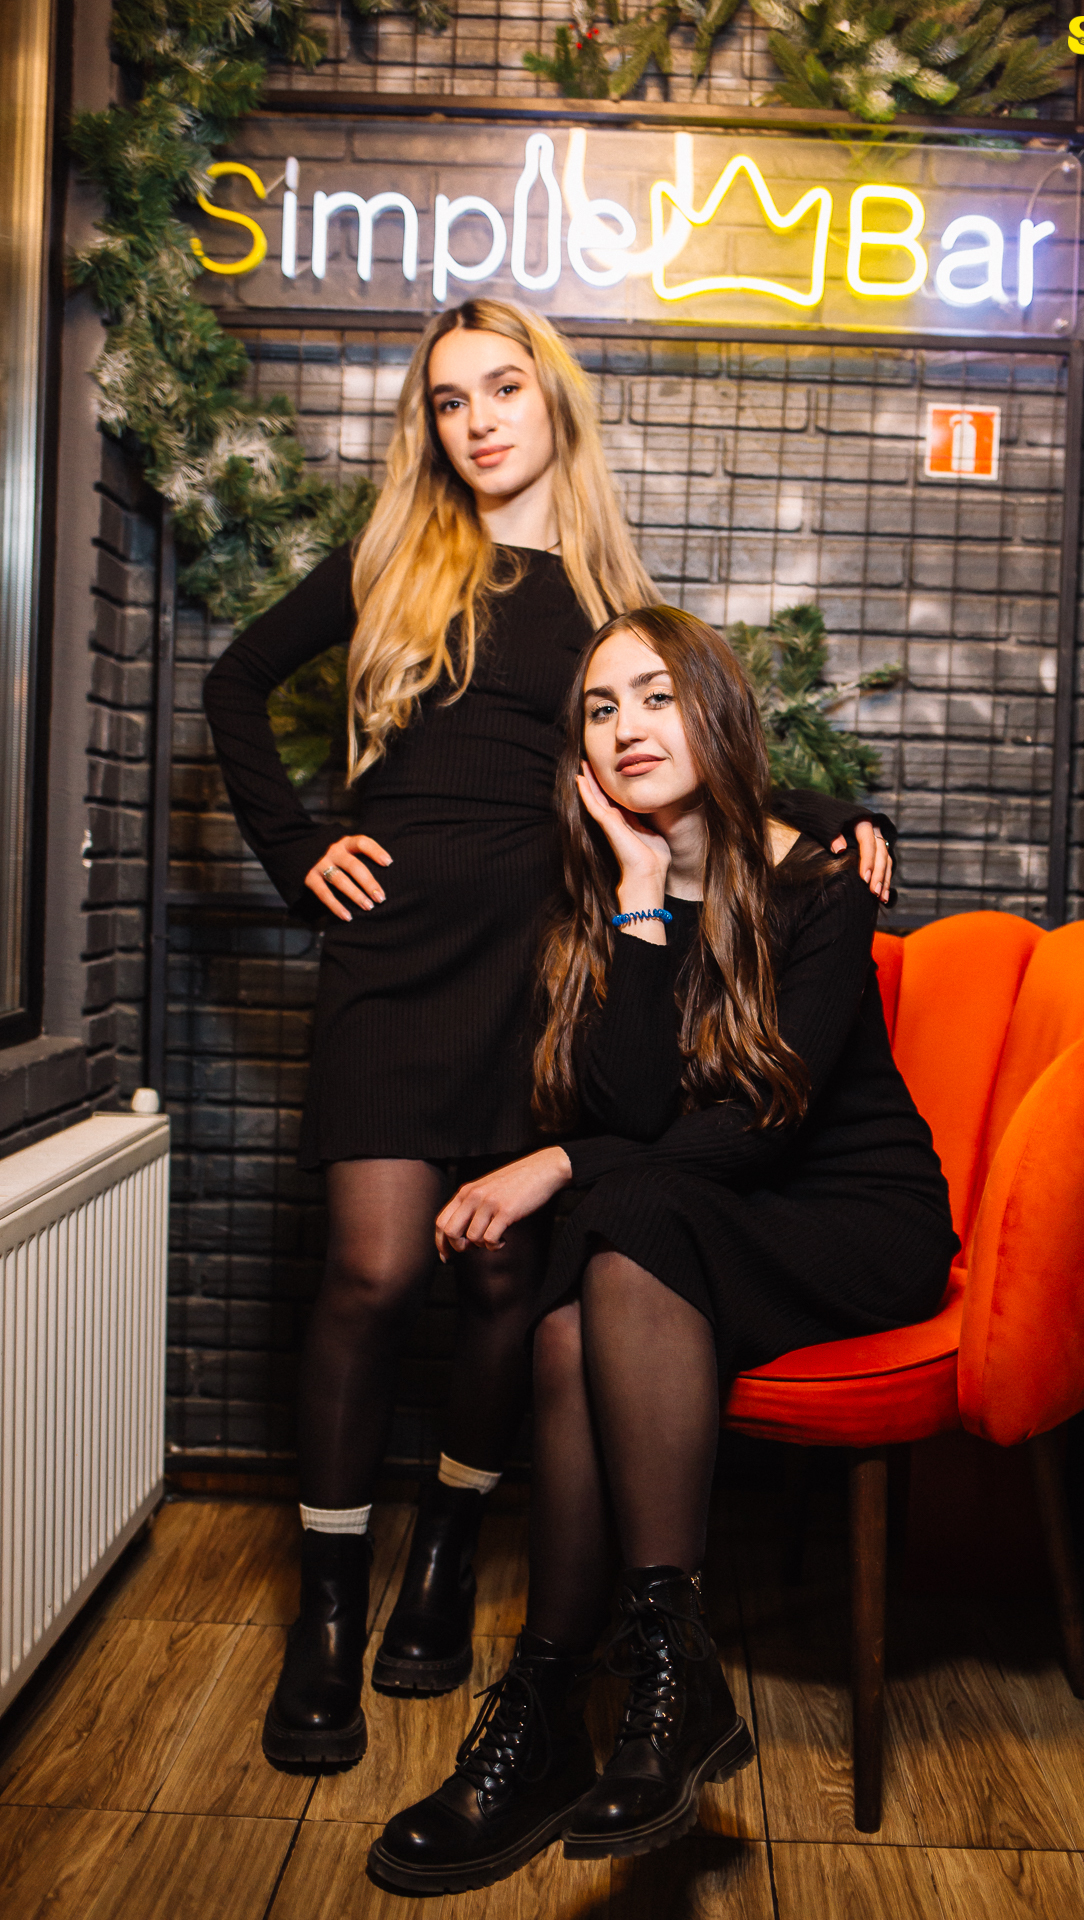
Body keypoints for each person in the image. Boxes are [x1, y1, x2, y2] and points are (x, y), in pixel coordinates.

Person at [202, 301, 895, 1773]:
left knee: (508, 1272)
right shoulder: (392, 557)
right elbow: (232, 684)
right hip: (395, 958)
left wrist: (839, 817)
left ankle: (449, 1555)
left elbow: (691, 746)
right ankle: (327, 1611)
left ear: (553, 402)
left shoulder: (606, 588)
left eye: (503, 388)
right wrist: (295, 851)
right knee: (375, 1270)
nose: (478, 422)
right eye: (449, 401)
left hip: (542, 959)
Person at [368, 606, 956, 1895]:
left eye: (656, 695)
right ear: (580, 751)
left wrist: (557, 1163)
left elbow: (762, 1121)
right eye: (601, 708)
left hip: (855, 1218)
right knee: (580, 1307)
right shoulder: (599, 894)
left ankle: (594, 1693)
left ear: (714, 711)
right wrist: (641, 899)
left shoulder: (817, 882)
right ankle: (597, 1689)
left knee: (615, 1218)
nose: (628, 727)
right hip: (696, 1214)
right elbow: (639, 1111)